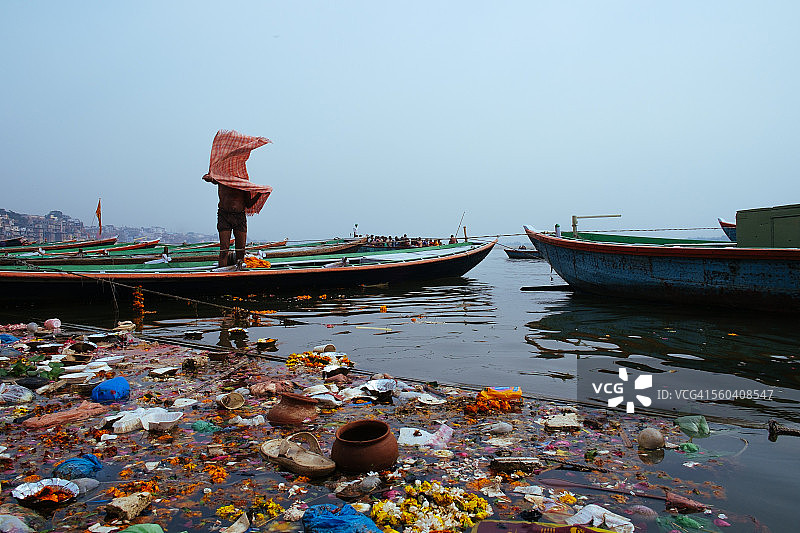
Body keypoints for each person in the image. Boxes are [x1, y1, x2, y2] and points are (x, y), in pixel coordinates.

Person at [203, 173, 259, 267]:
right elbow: (208, 178)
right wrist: (210, 177)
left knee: (240, 251)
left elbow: (248, 204)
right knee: (224, 250)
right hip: (224, 215)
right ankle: (222, 275)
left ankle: (239, 273)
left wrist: (260, 194)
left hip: (239, 216)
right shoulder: (223, 179)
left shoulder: (243, 183)